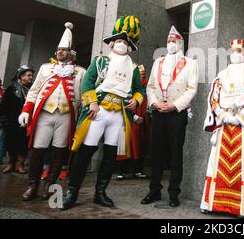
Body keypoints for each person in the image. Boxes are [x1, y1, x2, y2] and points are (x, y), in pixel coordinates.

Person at [62, 15, 145, 210]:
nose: (121, 44)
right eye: (118, 41)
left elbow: (139, 90)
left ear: (130, 46)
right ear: (111, 44)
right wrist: (91, 103)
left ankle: (100, 193)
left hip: (119, 115)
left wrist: (136, 100)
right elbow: (88, 82)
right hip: (98, 111)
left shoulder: (133, 68)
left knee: (109, 156)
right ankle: (72, 191)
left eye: (125, 42)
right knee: (86, 151)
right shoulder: (100, 61)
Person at [200, 39, 244, 219]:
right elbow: (214, 97)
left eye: (239, 50)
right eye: (232, 50)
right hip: (225, 126)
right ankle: (214, 203)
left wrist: (240, 118)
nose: (235, 53)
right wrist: (224, 116)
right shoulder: (221, 74)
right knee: (217, 165)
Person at [18, 22, 86, 201]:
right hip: (44, 115)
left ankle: (49, 185)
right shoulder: (45, 68)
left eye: (64, 49)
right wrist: (26, 110)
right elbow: (33, 91)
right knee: (38, 150)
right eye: (59, 49)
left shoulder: (80, 72)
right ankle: (32, 185)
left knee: (59, 151)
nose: (60, 52)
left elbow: (85, 96)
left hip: (65, 116)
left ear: (71, 52)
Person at [141, 26, 198, 208]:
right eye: (168, 41)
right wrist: (154, 103)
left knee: (176, 154)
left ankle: (174, 193)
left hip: (177, 113)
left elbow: (191, 89)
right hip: (158, 111)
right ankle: (154, 190)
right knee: (156, 152)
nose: (170, 44)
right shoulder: (158, 61)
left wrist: (174, 105)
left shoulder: (190, 63)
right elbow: (150, 86)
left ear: (180, 43)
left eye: (174, 41)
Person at [117, 64, 150, 180]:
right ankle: (121, 171)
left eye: (142, 75)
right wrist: (135, 116)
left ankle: (138, 170)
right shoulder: (125, 85)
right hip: (127, 118)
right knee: (123, 143)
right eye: (138, 75)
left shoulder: (147, 87)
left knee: (139, 145)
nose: (140, 77)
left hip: (142, 120)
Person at [1, 66, 34, 174]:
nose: (31, 77)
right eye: (28, 75)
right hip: (12, 122)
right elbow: (4, 106)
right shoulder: (11, 89)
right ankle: (11, 163)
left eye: (31, 75)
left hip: (27, 123)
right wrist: (5, 121)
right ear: (21, 76)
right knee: (11, 142)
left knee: (24, 143)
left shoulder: (34, 90)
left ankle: (20, 164)